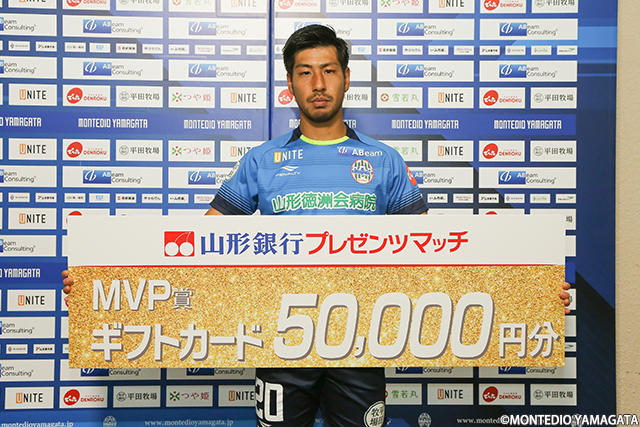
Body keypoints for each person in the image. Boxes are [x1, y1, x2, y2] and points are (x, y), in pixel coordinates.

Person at [63, 24, 573, 427]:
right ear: (290, 85)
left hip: (365, 340)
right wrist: (102, 284)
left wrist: (529, 291)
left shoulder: (385, 161)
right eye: (305, 73)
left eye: (328, 70)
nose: (318, 83)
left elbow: (435, 255)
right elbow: (197, 249)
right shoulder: (261, 161)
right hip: (280, 340)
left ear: (346, 78)